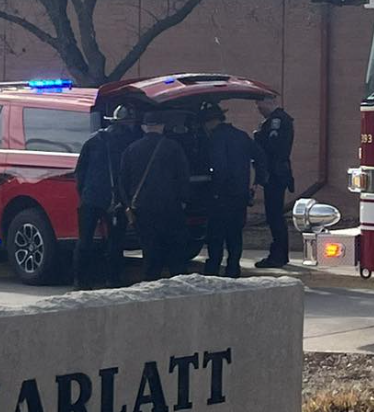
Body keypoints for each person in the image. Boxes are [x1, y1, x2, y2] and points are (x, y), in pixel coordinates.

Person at [118, 111, 190, 281]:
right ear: (162, 127)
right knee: (174, 248)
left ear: (144, 127)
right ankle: (177, 281)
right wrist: (184, 201)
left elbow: (122, 181)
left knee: (150, 249)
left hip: (142, 208)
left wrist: (127, 204)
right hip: (170, 206)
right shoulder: (173, 147)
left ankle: (151, 280)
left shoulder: (131, 149)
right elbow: (183, 176)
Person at [72, 104, 136, 289]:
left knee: (85, 240)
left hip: (90, 197)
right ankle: (113, 279)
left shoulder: (93, 141)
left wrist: (84, 193)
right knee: (115, 241)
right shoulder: (129, 142)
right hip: (116, 199)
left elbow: (80, 171)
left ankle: (81, 281)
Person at [201, 104, 265, 278]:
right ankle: (233, 268)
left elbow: (220, 167)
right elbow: (260, 157)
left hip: (220, 196)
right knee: (235, 234)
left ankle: (213, 269)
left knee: (216, 235)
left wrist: (214, 190)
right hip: (239, 194)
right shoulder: (241, 136)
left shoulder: (215, 139)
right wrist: (256, 183)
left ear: (211, 122)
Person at [253, 94, 295, 269]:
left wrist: (257, 137)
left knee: (274, 216)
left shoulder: (277, 121)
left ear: (269, 103)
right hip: (277, 173)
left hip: (276, 174)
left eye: (260, 105)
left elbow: (273, 146)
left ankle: (278, 255)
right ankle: (280, 254)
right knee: (275, 215)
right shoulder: (277, 120)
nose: (259, 109)